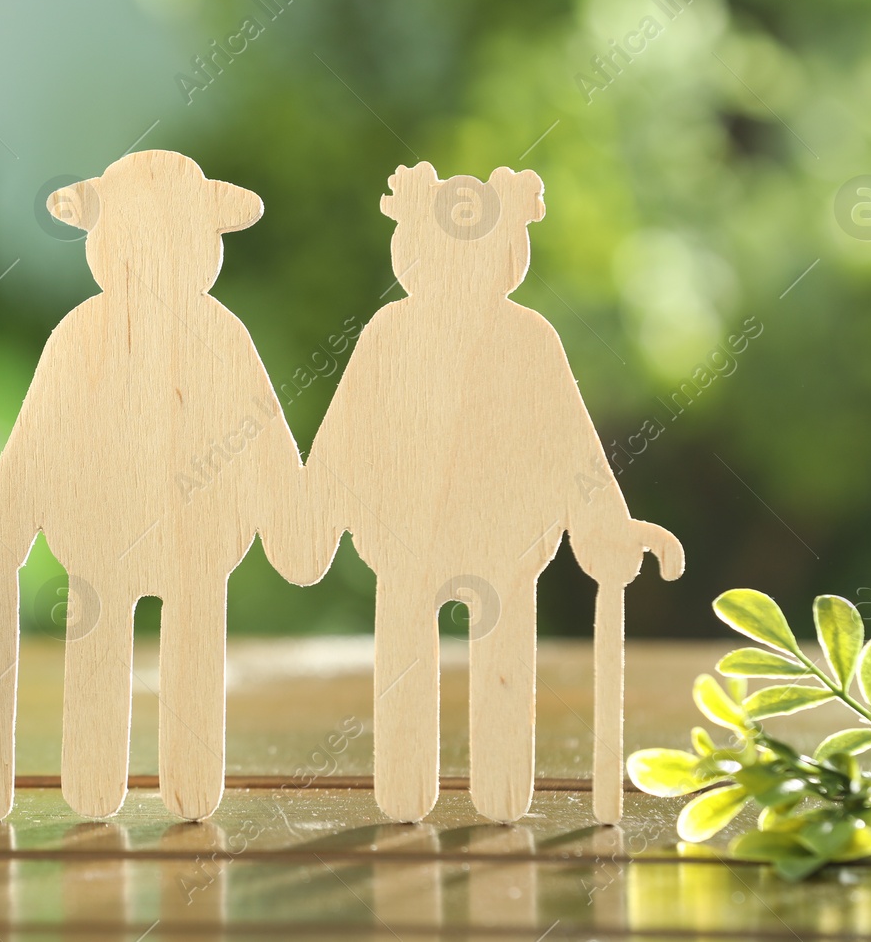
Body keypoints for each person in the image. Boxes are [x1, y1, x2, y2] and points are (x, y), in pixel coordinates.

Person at [289, 161, 683, 824]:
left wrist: (607, 527)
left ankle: (500, 790)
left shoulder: (529, 339)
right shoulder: (389, 336)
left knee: (502, 667)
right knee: (408, 667)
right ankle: (408, 788)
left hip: (505, 547)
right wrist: (311, 517)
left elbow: (571, 447)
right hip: (406, 545)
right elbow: (344, 438)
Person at [0, 150, 308, 821]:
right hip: (101, 542)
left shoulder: (222, 336)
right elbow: (37, 444)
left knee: (190, 654)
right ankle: (94, 783)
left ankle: (189, 783)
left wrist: (291, 520)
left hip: (197, 545)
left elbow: (262, 434)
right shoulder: (81, 337)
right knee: (100, 654)